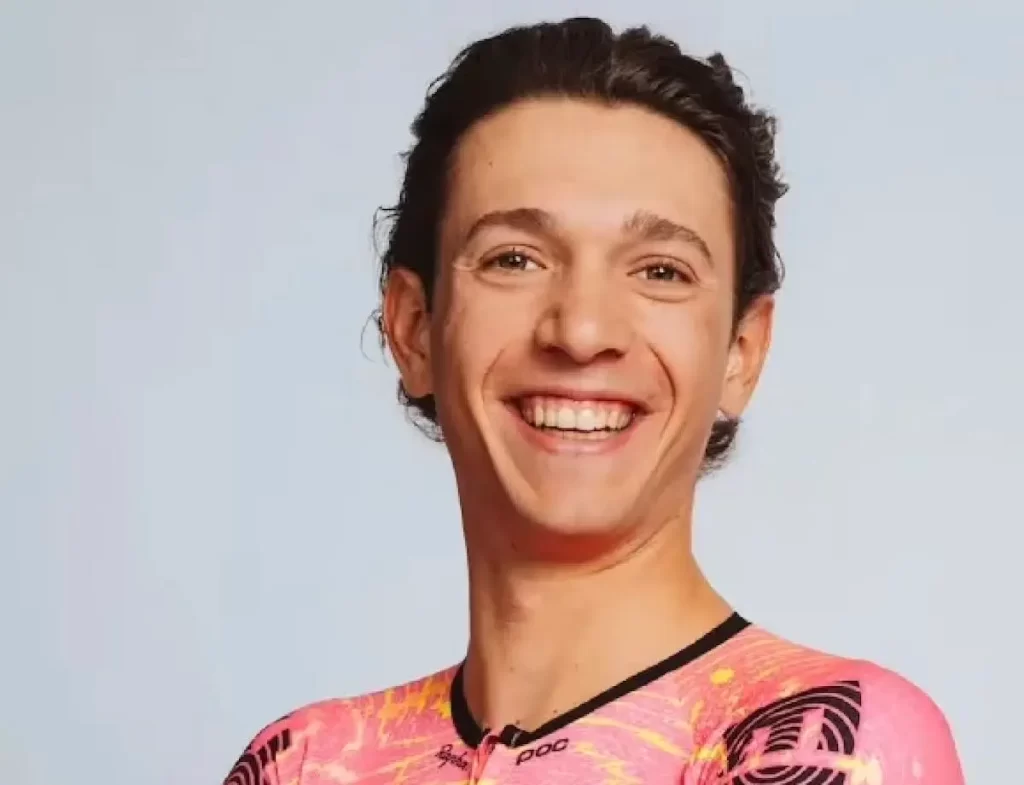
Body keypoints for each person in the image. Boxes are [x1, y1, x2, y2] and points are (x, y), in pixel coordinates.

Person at [223, 17, 964, 785]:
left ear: (742, 351)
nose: (581, 330)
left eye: (661, 271)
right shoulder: (308, 761)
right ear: (414, 329)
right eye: (514, 259)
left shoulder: (825, 738)